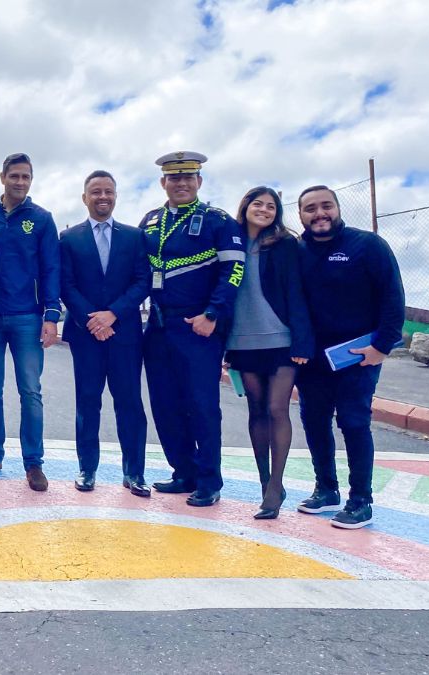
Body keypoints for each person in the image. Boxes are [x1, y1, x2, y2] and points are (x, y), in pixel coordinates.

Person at [139, 151, 245, 507]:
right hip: (157, 326)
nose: (180, 184)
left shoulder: (218, 221)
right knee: (165, 404)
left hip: (198, 327)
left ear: (199, 182)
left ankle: (209, 480)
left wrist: (213, 314)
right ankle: (182, 471)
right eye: (174, 178)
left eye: (188, 178)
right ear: (163, 182)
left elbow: (234, 272)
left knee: (202, 405)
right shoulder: (151, 220)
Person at [295, 185, 404, 529]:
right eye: (310, 208)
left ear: (338, 209)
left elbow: (392, 297)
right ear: (300, 215)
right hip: (312, 359)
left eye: (326, 206)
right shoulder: (295, 252)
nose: (319, 213)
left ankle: (361, 501)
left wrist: (381, 347)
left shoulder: (368, 246)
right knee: (314, 421)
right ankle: (326, 489)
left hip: (357, 356)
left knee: (354, 422)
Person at [0, 153, 62, 492]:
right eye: (15, 176)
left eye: (26, 177)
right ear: (2, 177)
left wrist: (51, 316)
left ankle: (33, 463)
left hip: (28, 316)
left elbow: (52, 268)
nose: (20, 182)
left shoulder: (42, 219)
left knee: (31, 391)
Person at [59, 171, 151, 495]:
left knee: (129, 404)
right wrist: (92, 320)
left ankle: (134, 473)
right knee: (87, 403)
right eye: (95, 192)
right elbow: (65, 284)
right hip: (85, 336)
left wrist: (113, 314)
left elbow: (142, 281)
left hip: (125, 334)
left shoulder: (134, 237)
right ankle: (87, 470)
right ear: (84, 197)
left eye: (108, 192)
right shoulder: (68, 239)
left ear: (116, 196)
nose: (102, 197)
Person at [225, 186, 314, 519]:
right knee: (256, 411)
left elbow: (296, 292)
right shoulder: (230, 241)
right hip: (242, 340)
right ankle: (264, 480)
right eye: (257, 204)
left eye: (271, 206)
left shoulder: (284, 244)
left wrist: (303, 341)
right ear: (245, 206)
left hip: (281, 339)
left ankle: (276, 485)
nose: (264, 210)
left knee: (278, 409)